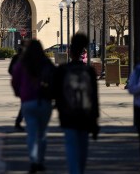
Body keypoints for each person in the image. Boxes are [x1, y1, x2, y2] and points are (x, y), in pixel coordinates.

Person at [54, 33, 99, 174]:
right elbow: (94, 98)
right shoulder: (90, 71)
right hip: (85, 116)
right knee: (82, 151)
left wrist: (60, 111)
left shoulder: (62, 70)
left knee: (72, 149)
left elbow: (57, 94)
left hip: (68, 116)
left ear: (70, 52)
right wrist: (95, 120)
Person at [11, 39, 55, 173]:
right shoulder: (46, 63)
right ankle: (40, 161)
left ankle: (33, 160)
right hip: (45, 101)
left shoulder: (22, 63)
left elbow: (14, 81)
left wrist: (20, 94)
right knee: (42, 134)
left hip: (28, 102)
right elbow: (55, 79)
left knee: (31, 133)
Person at [8, 40, 29, 132]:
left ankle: (19, 121)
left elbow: (10, 70)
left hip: (20, 84)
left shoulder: (16, 57)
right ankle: (21, 121)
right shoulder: (29, 58)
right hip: (26, 84)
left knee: (25, 102)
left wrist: (15, 76)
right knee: (26, 102)